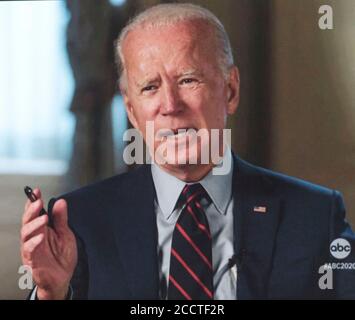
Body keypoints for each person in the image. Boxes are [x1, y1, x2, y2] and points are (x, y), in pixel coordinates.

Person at [20, 3, 355, 300]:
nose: (170, 105)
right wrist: (52, 294)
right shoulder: (80, 222)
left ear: (231, 91)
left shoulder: (316, 216)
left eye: (189, 80)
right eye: (150, 87)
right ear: (133, 112)